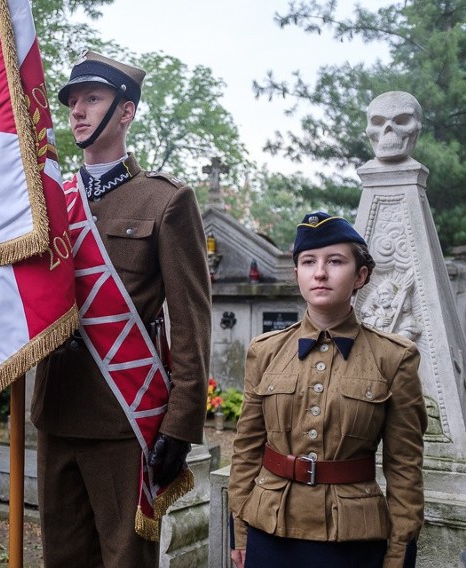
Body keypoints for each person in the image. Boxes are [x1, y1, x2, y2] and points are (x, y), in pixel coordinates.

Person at [31, 50, 212, 567]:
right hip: (56, 407)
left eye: (93, 99)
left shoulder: (165, 201)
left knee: (124, 559)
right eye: (72, 102)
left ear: (126, 111)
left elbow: (191, 320)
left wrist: (180, 424)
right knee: (62, 558)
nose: (78, 112)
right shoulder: (48, 202)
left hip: (123, 416)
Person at [228, 212, 427, 568]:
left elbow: (404, 466)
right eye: (309, 262)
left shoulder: (394, 357)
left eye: (335, 261)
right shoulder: (265, 350)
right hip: (270, 530)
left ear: (360, 276)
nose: (320, 272)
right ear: (297, 275)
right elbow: (246, 449)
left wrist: (399, 553)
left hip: (352, 537)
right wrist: (239, 532)